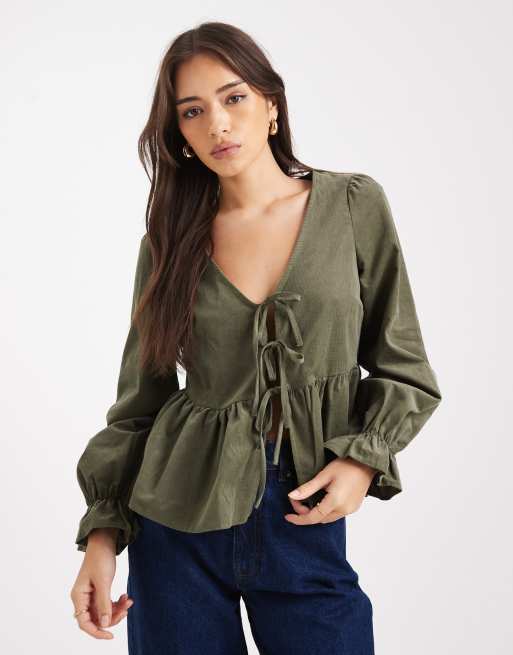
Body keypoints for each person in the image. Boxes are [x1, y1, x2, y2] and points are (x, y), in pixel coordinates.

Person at [70, 21, 442, 654]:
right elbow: (139, 405)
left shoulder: (352, 205)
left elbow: (403, 365)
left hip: (303, 513)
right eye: (193, 111)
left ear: (272, 105)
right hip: (176, 530)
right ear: (180, 135)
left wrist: (362, 458)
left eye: (234, 97)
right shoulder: (168, 245)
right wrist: (102, 540)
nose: (218, 123)